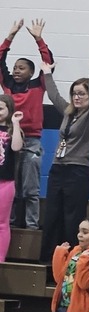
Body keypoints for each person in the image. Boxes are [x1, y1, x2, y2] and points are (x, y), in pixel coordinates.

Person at [40, 50, 89, 260]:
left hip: (78, 172)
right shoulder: (69, 112)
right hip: (58, 169)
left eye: (81, 93)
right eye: (74, 93)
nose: (77, 97)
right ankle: (50, 260)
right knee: (52, 216)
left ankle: (71, 259)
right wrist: (47, 74)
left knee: (72, 219)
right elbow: (53, 96)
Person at [1, 18, 53, 230]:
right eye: (14, 67)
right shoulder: (8, 86)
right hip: (9, 141)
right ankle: (9, 223)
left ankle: (31, 227)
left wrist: (39, 39)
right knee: (13, 187)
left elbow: (47, 63)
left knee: (30, 188)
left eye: (21, 68)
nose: (16, 70)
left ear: (31, 72)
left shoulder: (38, 85)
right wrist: (10, 36)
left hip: (31, 141)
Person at [0, 97, 24, 260]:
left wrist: (16, 124)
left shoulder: (12, 130)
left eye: (1, 108)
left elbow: (16, 147)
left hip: (5, 182)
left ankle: (0, 258)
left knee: (2, 223)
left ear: (9, 110)